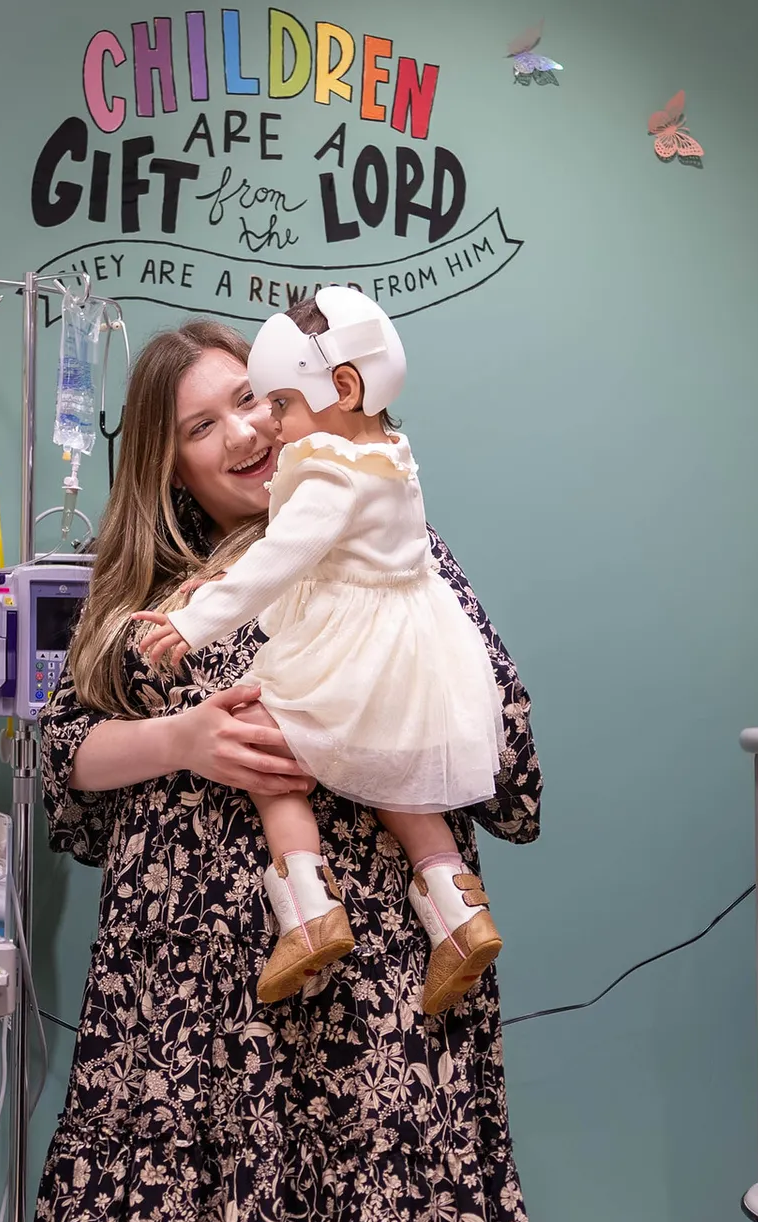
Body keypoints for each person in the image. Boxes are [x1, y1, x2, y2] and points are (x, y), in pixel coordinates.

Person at [30, 316, 542, 1222]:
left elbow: (504, 744)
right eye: (200, 426)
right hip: (179, 1021)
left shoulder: (389, 548)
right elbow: (68, 757)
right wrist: (186, 740)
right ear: (169, 467)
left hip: (373, 1007)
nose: (244, 432)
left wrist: (358, 739)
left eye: (252, 400)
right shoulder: (145, 587)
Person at [133, 288, 507, 1014]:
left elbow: (278, 559)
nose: (264, 426)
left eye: (273, 403)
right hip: (405, 649)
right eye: (204, 426)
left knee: (266, 748)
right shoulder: (388, 454)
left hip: (353, 650)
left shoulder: (326, 476)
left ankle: (308, 912)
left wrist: (196, 622)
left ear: (337, 388)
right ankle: (459, 913)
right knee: (400, 778)